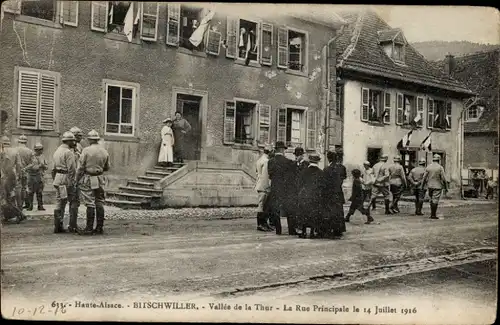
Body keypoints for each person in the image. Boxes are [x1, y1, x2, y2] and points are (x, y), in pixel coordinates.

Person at [76, 130, 110, 235]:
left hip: (88, 177)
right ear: (98, 139)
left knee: (89, 202)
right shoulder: (104, 151)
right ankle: (99, 227)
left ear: (89, 140)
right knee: (99, 201)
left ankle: (89, 228)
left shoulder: (86, 150)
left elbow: (80, 167)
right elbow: (107, 167)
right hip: (99, 178)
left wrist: (77, 179)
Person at [267, 141, 296, 235]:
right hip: (286, 189)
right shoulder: (288, 162)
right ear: (282, 150)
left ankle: (278, 230)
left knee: (276, 209)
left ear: (276, 149)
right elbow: (292, 176)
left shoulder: (270, 162)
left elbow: (270, 175)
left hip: (275, 188)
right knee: (289, 209)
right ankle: (291, 230)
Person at [52, 131, 78, 233]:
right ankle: (70, 225)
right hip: (65, 178)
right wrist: (72, 182)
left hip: (58, 178)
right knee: (72, 200)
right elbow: (72, 169)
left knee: (59, 201)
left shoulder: (57, 151)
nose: (74, 143)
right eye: (72, 141)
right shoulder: (68, 152)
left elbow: (53, 168)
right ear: (69, 141)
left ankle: (58, 226)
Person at [297, 153, 325, 238]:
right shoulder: (321, 172)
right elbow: (323, 186)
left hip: (305, 195)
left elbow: (299, 184)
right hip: (316, 196)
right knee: (314, 214)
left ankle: (303, 232)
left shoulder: (304, 171)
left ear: (309, 161)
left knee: (304, 213)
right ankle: (312, 232)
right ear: (318, 162)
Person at [0, 135, 26, 223]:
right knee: (11, 196)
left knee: (3, 197)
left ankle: (18, 214)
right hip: (12, 176)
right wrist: (18, 176)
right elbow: (19, 165)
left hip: (3, 177)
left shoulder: (1, 151)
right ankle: (9, 215)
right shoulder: (15, 151)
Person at [322, 151, 347, 239]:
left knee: (330, 211)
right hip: (338, 191)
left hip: (329, 193)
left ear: (328, 158)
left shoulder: (326, 169)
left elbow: (324, 182)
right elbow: (343, 178)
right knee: (339, 211)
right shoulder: (342, 167)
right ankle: (339, 229)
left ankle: (330, 229)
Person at [422, 154, 448, 220]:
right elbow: (444, 178)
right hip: (438, 186)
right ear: (439, 160)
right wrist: (446, 187)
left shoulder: (428, 167)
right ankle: (433, 215)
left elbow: (424, 178)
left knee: (431, 200)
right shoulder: (440, 167)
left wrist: (422, 186)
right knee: (435, 200)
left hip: (430, 186)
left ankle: (432, 214)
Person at [25, 143, 48, 211]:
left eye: (41, 149)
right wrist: (39, 166)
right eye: (39, 150)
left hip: (39, 176)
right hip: (31, 176)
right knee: (30, 192)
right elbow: (30, 166)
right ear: (36, 150)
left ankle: (40, 205)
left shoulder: (43, 156)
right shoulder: (31, 156)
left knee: (39, 192)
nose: (41, 151)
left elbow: (46, 167)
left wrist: (43, 165)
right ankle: (30, 206)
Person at [254, 145, 272, 231]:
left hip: (260, 184)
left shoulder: (260, 160)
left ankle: (263, 223)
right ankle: (261, 224)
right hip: (264, 186)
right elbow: (265, 176)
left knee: (262, 205)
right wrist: (268, 187)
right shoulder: (266, 161)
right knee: (263, 206)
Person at [15, 134, 35, 209]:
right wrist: (25, 168)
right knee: (24, 188)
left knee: (16, 188)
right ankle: (21, 204)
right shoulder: (30, 151)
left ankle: (17, 205)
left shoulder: (14, 150)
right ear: (26, 142)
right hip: (25, 172)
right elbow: (33, 163)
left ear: (19, 141)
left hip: (16, 172)